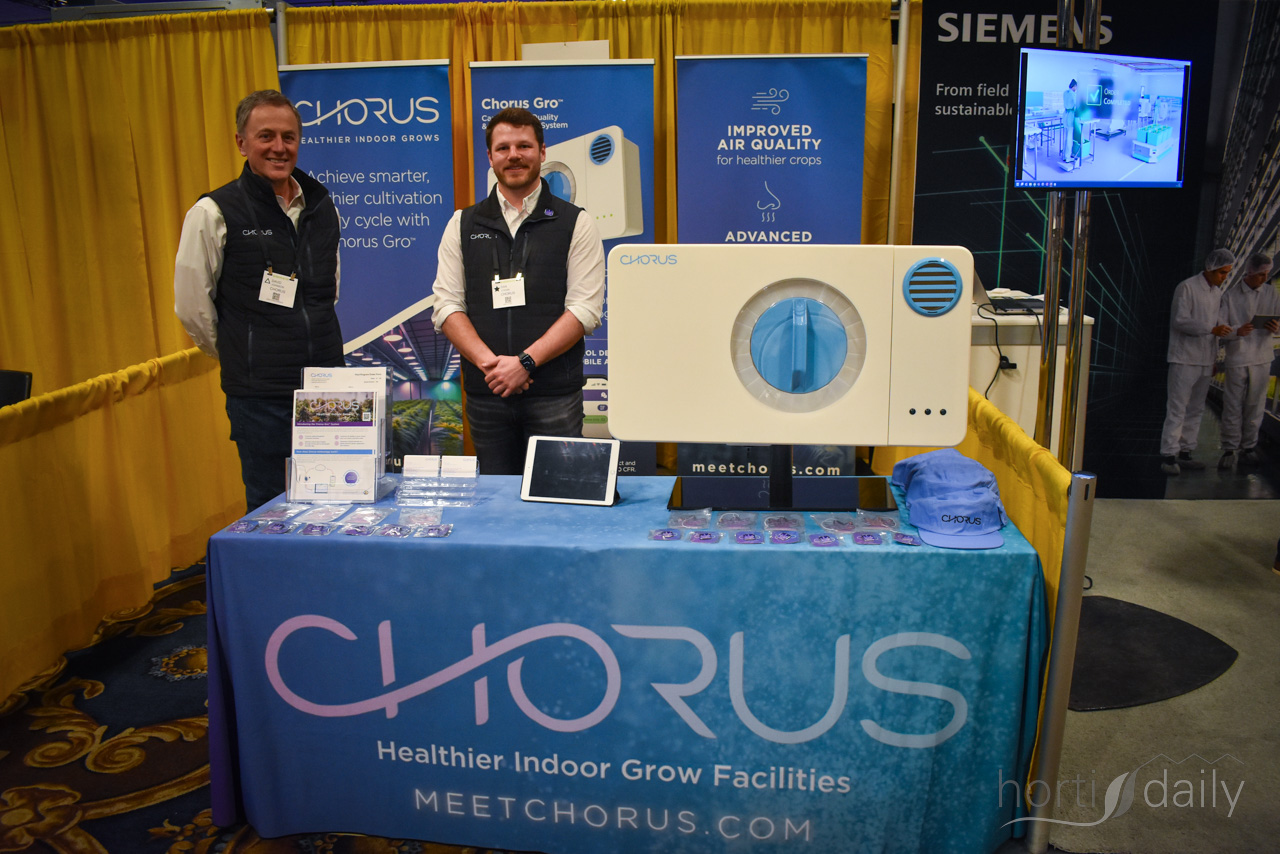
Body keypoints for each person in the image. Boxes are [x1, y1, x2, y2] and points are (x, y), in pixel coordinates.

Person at [174, 90, 344, 510]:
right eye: (266, 136)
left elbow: (329, 290)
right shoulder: (213, 212)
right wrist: (243, 350)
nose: (279, 147)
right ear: (241, 142)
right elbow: (192, 307)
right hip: (260, 398)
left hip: (327, 388)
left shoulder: (323, 205)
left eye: (288, 137)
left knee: (337, 503)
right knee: (273, 511)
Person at [431, 107, 605, 475]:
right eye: (503, 148)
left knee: (557, 495)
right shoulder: (462, 224)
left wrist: (524, 363)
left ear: (542, 152)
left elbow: (584, 310)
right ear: (490, 156)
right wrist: (493, 367)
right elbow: (446, 306)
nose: (514, 155)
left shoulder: (576, 222)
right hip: (488, 394)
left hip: (554, 397)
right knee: (495, 500)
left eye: (524, 146)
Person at [1159, 249, 1236, 475]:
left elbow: (1218, 327)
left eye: (1227, 273)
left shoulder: (1216, 293)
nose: (1224, 277)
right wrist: (1211, 329)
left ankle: (1185, 452)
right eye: (1222, 272)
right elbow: (1180, 320)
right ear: (1210, 268)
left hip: (1204, 360)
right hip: (1184, 358)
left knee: (1195, 409)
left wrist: (1215, 356)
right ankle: (1169, 455)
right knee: (1177, 408)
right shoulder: (1187, 287)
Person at [1217, 252, 1278, 470]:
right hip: (1238, 356)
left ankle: (1249, 447)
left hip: (1262, 356)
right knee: (1232, 405)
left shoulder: (1272, 293)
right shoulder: (1230, 296)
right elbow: (1221, 328)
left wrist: (1276, 327)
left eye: (1267, 274)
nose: (1265, 278)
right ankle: (1229, 449)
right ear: (1249, 272)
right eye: (1261, 274)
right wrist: (1237, 331)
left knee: (1256, 404)